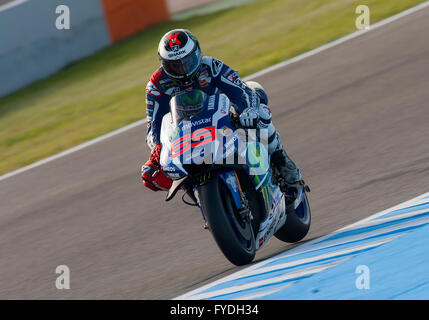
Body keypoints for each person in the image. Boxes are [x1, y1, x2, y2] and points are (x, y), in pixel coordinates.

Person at [141, 29, 301, 193]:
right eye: (175, 66)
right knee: (165, 169)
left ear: (197, 54)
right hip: (187, 135)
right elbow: (154, 126)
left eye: (188, 62)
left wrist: (247, 110)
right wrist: (157, 148)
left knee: (261, 112)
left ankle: (281, 159)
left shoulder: (211, 66)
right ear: (164, 64)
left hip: (223, 119)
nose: (183, 70)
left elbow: (241, 90)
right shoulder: (156, 86)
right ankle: (200, 195)